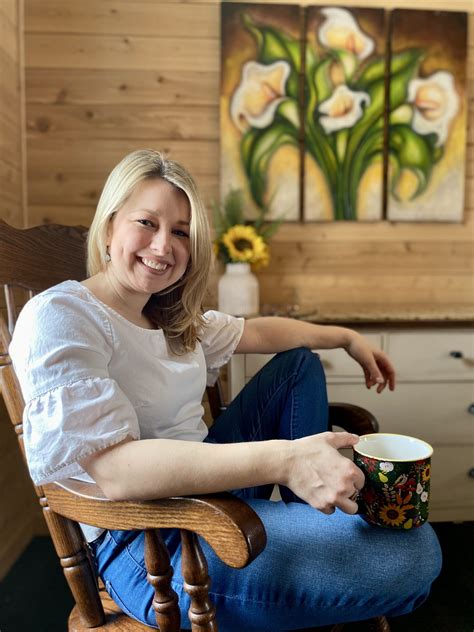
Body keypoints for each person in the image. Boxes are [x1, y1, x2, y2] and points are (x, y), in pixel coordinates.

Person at [10, 149, 441, 631]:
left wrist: (346, 338)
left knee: (298, 365)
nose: (163, 245)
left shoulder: (169, 319)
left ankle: (311, 527)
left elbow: (261, 331)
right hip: (147, 541)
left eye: (181, 232)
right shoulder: (61, 315)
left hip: (208, 488)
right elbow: (115, 473)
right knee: (414, 554)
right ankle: (315, 548)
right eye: (146, 222)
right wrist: (285, 459)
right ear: (109, 227)